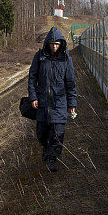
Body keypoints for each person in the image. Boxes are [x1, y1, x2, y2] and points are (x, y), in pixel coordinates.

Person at [28, 26, 77, 172]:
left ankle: (52, 158)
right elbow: (32, 78)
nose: (54, 47)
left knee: (57, 133)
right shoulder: (40, 57)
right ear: (47, 43)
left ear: (61, 44)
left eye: (57, 44)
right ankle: (45, 149)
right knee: (42, 132)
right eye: (52, 44)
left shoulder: (66, 59)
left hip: (59, 103)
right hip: (43, 102)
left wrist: (72, 103)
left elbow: (70, 82)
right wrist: (33, 96)